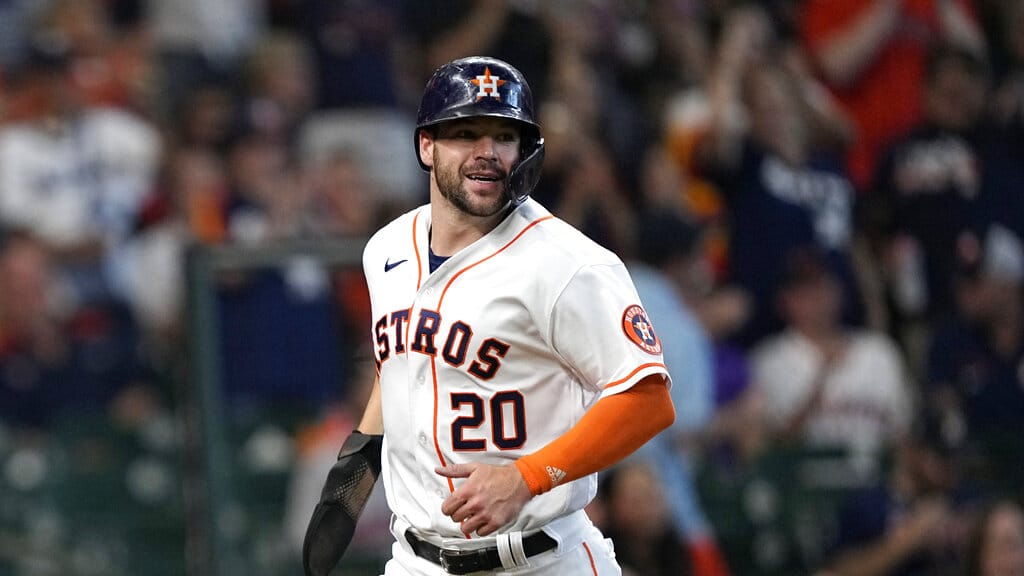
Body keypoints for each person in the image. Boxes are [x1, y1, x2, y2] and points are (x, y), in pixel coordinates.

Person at [302, 56, 675, 576]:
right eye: (466, 132)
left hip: (542, 558)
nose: (487, 153)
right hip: (418, 561)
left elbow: (649, 400)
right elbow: (402, 364)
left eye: (504, 136)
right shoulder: (385, 249)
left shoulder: (568, 264)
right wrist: (350, 482)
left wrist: (526, 477)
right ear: (426, 146)